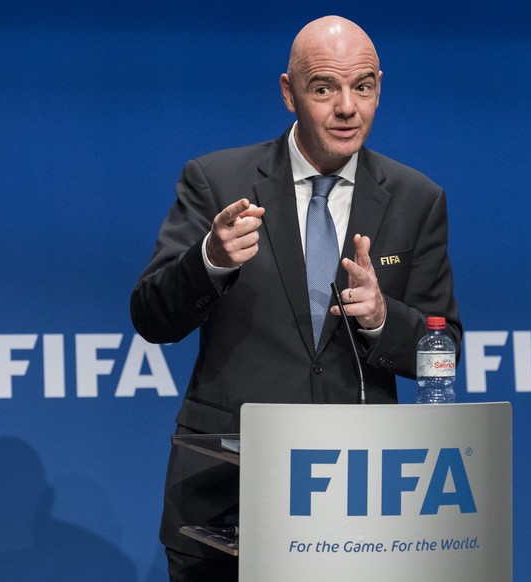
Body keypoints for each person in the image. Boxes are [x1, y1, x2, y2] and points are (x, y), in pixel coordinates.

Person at [130, 15, 462, 582]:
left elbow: (444, 351)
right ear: (289, 93)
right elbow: (151, 318)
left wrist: (385, 319)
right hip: (228, 501)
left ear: (380, 85)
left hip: (360, 506)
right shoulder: (217, 181)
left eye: (362, 86)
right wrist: (209, 259)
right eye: (324, 88)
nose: (346, 108)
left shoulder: (416, 199)